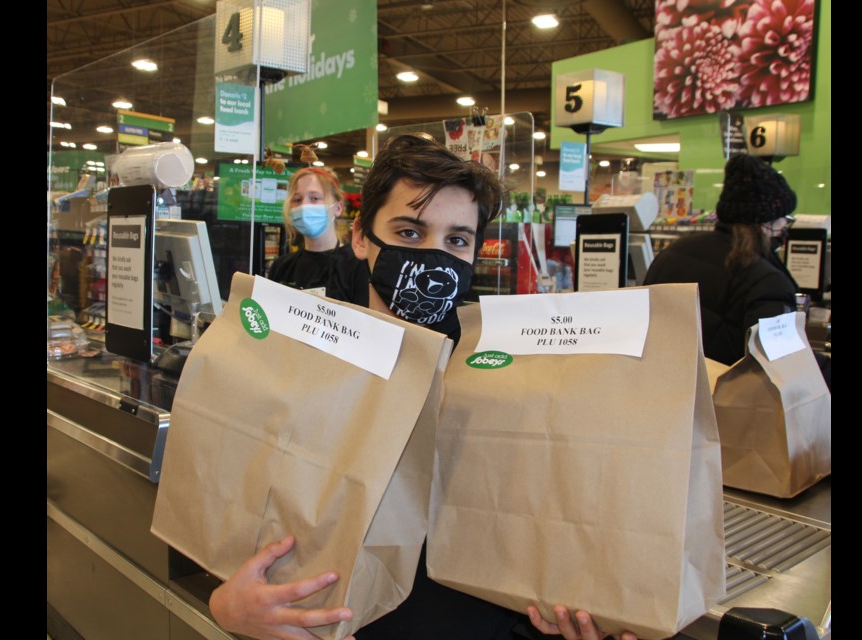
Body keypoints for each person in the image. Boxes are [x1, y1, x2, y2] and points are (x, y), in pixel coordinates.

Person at [209, 134, 636, 640]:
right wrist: (229, 608)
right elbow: (236, 553)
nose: (434, 257)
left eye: (457, 240)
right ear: (362, 238)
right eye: (410, 233)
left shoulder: (510, 381)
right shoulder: (299, 366)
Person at [643, 153, 800, 366]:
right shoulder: (766, 280)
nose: (784, 227)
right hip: (723, 396)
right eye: (785, 219)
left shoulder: (672, 253)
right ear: (765, 222)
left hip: (661, 387)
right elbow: (779, 361)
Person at [267, 167, 369, 306]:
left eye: (315, 198)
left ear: (338, 207)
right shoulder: (282, 267)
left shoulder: (358, 265)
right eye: (297, 199)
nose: (304, 206)